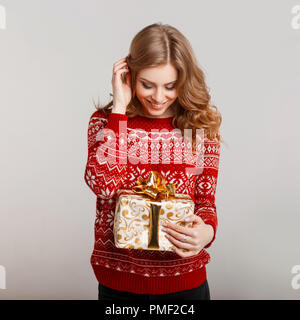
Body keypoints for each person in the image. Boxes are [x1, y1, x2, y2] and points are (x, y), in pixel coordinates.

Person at [84, 22, 223, 301]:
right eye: (147, 85)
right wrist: (120, 111)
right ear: (130, 75)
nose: (159, 97)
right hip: (119, 282)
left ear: (184, 81)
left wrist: (206, 233)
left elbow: (205, 202)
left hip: (185, 282)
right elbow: (103, 186)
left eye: (170, 86)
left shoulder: (199, 127)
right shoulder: (105, 123)